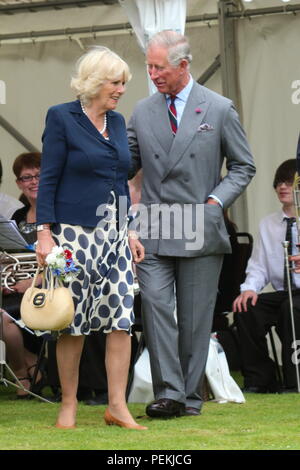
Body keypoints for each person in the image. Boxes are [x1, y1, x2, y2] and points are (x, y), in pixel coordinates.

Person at [127, 30, 255, 418]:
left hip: (200, 227)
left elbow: (243, 166)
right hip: (153, 229)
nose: (152, 74)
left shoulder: (218, 108)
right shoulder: (142, 111)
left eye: (158, 67)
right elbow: (122, 166)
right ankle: (168, 392)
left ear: (183, 65)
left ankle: (190, 397)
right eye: (148, 66)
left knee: (196, 318)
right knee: (155, 307)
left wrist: (214, 203)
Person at [35, 46, 146, 430]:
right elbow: (48, 179)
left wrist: (129, 229)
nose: (121, 90)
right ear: (96, 82)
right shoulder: (61, 117)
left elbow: (120, 180)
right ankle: (68, 403)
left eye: (122, 83)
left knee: (121, 318)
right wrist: (43, 234)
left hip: (113, 236)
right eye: (116, 82)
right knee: (71, 321)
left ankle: (117, 405)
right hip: (70, 236)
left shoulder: (116, 122)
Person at [233, 159, 300, 393]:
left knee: (290, 308)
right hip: (285, 292)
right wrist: (249, 289)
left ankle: (294, 379)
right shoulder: (268, 224)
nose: (282, 186)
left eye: (289, 182)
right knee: (246, 308)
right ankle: (260, 379)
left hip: (295, 298)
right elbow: (259, 265)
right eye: (279, 182)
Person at [2, 152, 45, 398]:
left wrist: (33, 282)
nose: (33, 181)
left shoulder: (61, 216)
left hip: (47, 292)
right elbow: (9, 257)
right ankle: (29, 363)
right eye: (26, 177)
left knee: (3, 318)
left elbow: (67, 261)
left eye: (39, 175)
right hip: (16, 291)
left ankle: (21, 371)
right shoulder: (16, 218)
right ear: (18, 183)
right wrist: (7, 280)